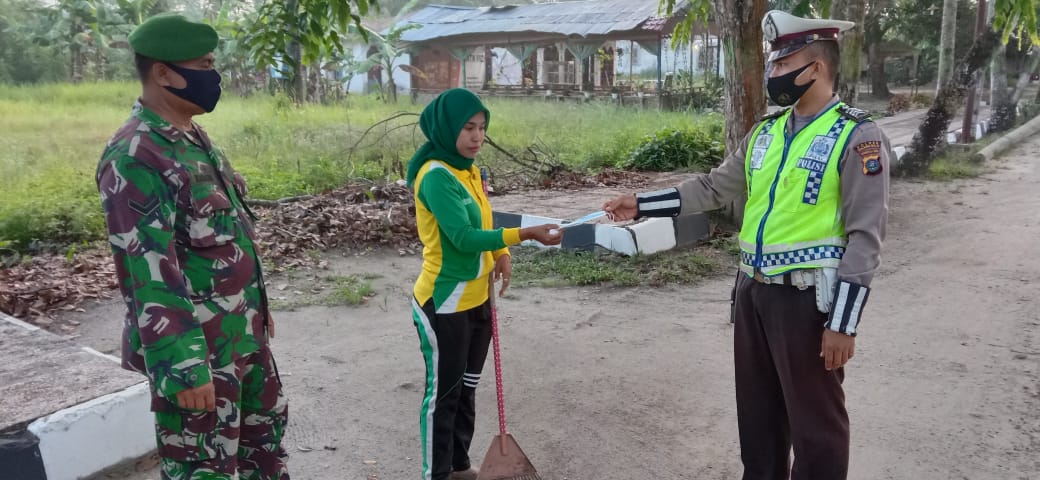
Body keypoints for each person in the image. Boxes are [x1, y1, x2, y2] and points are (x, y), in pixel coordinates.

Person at [604, 10, 890, 480]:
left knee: (817, 432)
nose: (774, 75)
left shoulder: (857, 136)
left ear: (815, 67)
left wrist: (844, 323)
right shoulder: (766, 133)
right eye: (772, 64)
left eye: (782, 65)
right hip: (752, 294)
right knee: (758, 424)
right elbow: (714, 188)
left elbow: (865, 236)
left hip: (807, 302)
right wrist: (642, 203)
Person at [95, 14, 288, 480]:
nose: (213, 76)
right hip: (198, 357)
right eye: (203, 65)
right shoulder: (136, 156)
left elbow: (224, 239)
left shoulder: (193, 137)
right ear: (163, 73)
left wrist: (258, 313)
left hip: (242, 338)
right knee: (205, 469)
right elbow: (147, 274)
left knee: (263, 457)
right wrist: (184, 367)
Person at [407, 88, 562, 480]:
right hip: (444, 301)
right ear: (446, 129)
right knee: (443, 396)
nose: (477, 136)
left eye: (482, 127)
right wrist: (523, 236)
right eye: (468, 128)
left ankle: (459, 465)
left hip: (479, 299)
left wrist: (500, 255)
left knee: (467, 388)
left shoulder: (469, 169)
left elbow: (484, 221)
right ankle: (436, 473)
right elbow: (462, 237)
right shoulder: (437, 176)